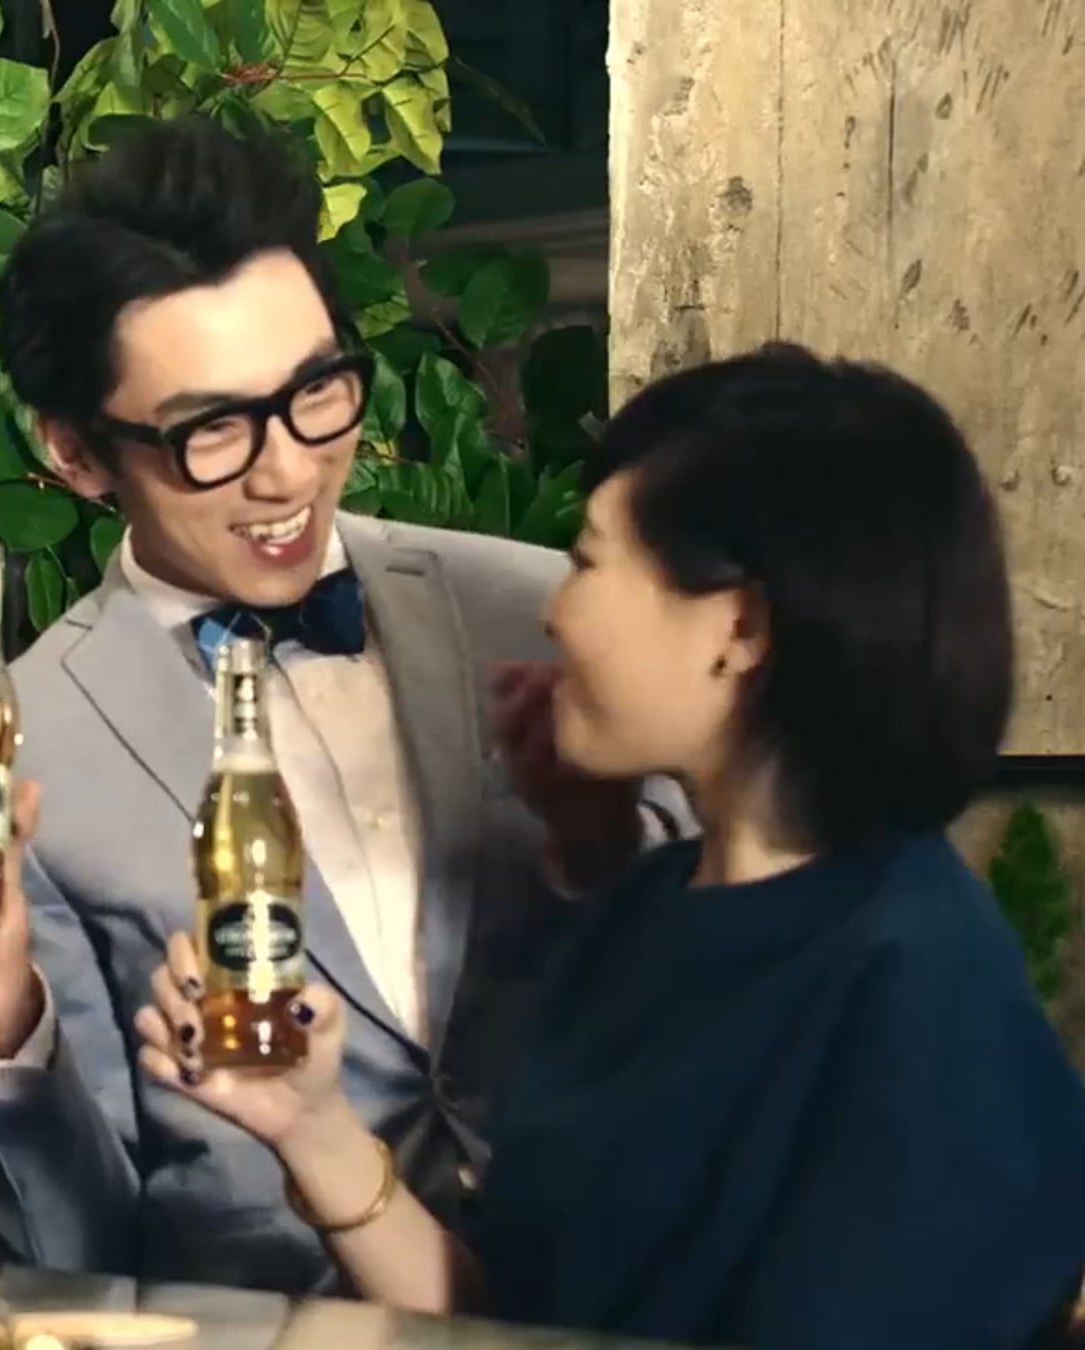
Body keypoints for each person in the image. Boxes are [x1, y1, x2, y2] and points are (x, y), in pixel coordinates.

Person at [0, 116, 685, 1291]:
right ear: (75, 453)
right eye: (210, 430)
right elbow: (75, 1254)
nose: (286, 470)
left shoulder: (538, 612)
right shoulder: (34, 743)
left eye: (316, 392)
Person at [136, 345, 1085, 1348]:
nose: (554, 610)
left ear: (739, 627)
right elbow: (514, 1322)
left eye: (588, 560)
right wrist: (309, 1126)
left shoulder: (919, 983)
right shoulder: (647, 908)